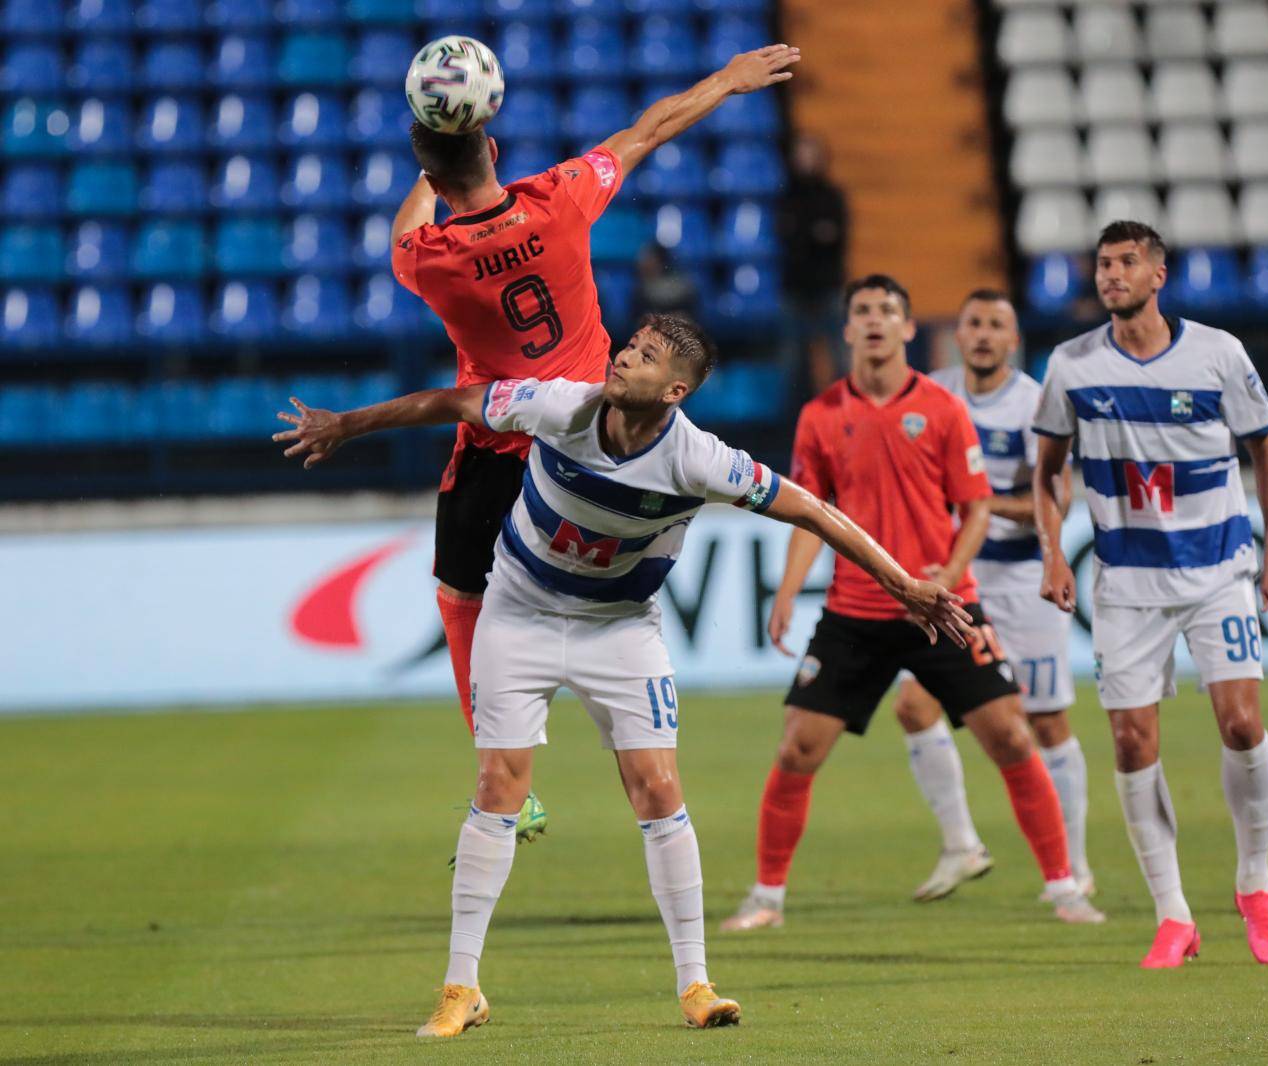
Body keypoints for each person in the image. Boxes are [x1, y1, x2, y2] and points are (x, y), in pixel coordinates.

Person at [273, 314, 973, 1036]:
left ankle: (696, 985)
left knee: (658, 789)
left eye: (642, 357)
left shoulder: (700, 460)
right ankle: (461, 987)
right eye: (627, 345)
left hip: (619, 630)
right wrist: (347, 424)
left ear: (674, 390)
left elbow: (815, 512)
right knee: (497, 786)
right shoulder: (555, 405)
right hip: (520, 615)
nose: (622, 357)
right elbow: (451, 402)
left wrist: (902, 585)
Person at [388, 44, 801, 843]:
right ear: (495, 145)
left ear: (435, 174)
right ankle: (644, 761)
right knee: (614, 603)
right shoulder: (559, 200)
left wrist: (428, 161)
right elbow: (647, 131)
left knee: (460, 594)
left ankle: (507, 772)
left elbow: (402, 237)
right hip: (589, 434)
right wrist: (724, 79)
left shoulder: (432, 259)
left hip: (502, 439)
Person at [721, 275, 1102, 933]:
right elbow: (811, 516)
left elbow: (976, 505)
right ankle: (767, 898)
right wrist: (787, 593)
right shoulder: (820, 416)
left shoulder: (944, 409)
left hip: (946, 609)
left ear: (906, 328)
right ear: (847, 331)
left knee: (1013, 735)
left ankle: (1065, 887)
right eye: (862, 311)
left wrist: (949, 578)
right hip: (856, 612)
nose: (874, 321)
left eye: (887, 311)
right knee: (798, 748)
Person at [1032, 221, 1268, 968]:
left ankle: (1255, 884)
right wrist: (1053, 553)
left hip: (1218, 571)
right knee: (1129, 741)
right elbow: (1047, 467)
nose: (1110, 275)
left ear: (1159, 274)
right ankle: (1173, 914)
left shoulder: (1218, 354)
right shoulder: (1072, 365)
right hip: (1125, 584)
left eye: (1126, 263)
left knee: (1242, 724)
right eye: (1103, 264)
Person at [893, 288, 1095, 905]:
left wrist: (974, 505)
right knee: (913, 706)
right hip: (953, 583)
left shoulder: (1035, 404)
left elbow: (1056, 502)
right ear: (958, 334)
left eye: (996, 325)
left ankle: (1075, 867)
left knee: (1044, 722)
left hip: (1020, 580)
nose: (982, 334)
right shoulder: (928, 394)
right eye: (973, 322)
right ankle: (961, 845)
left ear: (1014, 340)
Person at [777, 132, 850, 394]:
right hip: (795, 287)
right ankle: (792, 420)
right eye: (800, 153)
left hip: (828, 284)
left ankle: (849, 410)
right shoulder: (785, 197)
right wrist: (813, 235)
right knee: (792, 360)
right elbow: (788, 237)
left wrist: (804, 235)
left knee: (841, 354)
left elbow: (835, 237)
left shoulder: (832, 196)